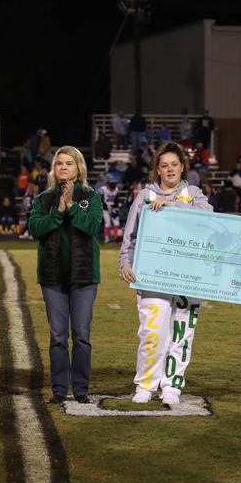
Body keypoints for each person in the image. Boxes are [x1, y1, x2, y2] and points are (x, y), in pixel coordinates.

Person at [119, 142, 213, 405]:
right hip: (152, 276)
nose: (170, 169)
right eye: (164, 165)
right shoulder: (144, 196)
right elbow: (130, 235)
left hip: (188, 277)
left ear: (182, 167)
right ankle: (146, 384)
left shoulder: (194, 194)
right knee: (152, 331)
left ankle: (172, 385)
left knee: (182, 332)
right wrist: (125, 263)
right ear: (157, 170)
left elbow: (209, 219)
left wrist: (171, 207)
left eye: (174, 164)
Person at [28, 146, 103, 404]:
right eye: (59, 163)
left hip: (83, 276)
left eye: (69, 163)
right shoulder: (44, 199)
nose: (63, 167)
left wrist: (71, 206)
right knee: (58, 336)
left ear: (78, 168)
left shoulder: (91, 197)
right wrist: (58, 212)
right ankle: (60, 389)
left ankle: (81, 389)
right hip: (52, 277)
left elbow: (92, 226)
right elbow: (35, 228)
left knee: (81, 335)